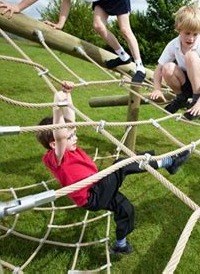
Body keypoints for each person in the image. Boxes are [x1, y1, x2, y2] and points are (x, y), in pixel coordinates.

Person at [36, 81, 191, 256]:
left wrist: (67, 95)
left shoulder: (69, 146)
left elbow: (70, 123)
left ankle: (120, 244)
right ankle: (170, 162)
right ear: (54, 144)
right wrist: (57, 105)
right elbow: (61, 133)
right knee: (120, 165)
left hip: (99, 187)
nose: (75, 136)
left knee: (126, 209)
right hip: (92, 195)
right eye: (71, 136)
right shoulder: (56, 158)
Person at [0, 0, 146, 83]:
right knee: (98, 26)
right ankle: (123, 57)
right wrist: (60, 23)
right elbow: (66, 1)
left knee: (125, 30)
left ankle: (140, 67)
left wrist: (18, 7)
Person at [149, 4, 200, 120]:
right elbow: (159, 69)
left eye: (195, 34)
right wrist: (157, 88)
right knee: (167, 67)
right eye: (187, 33)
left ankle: (196, 100)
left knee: (190, 55)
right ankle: (181, 98)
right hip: (185, 83)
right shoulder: (173, 44)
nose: (191, 38)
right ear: (178, 29)